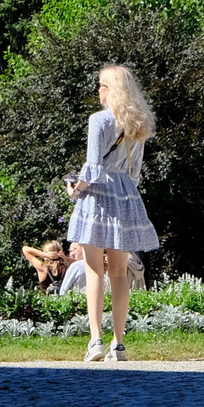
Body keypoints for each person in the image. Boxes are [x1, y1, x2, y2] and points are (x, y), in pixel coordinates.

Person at [65, 64, 159, 362]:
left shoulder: (99, 120)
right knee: (119, 273)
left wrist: (74, 190)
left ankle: (95, 340)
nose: (98, 90)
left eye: (102, 85)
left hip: (97, 196)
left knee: (94, 270)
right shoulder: (137, 124)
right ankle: (118, 345)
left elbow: (92, 167)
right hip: (125, 195)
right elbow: (135, 173)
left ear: (113, 89)